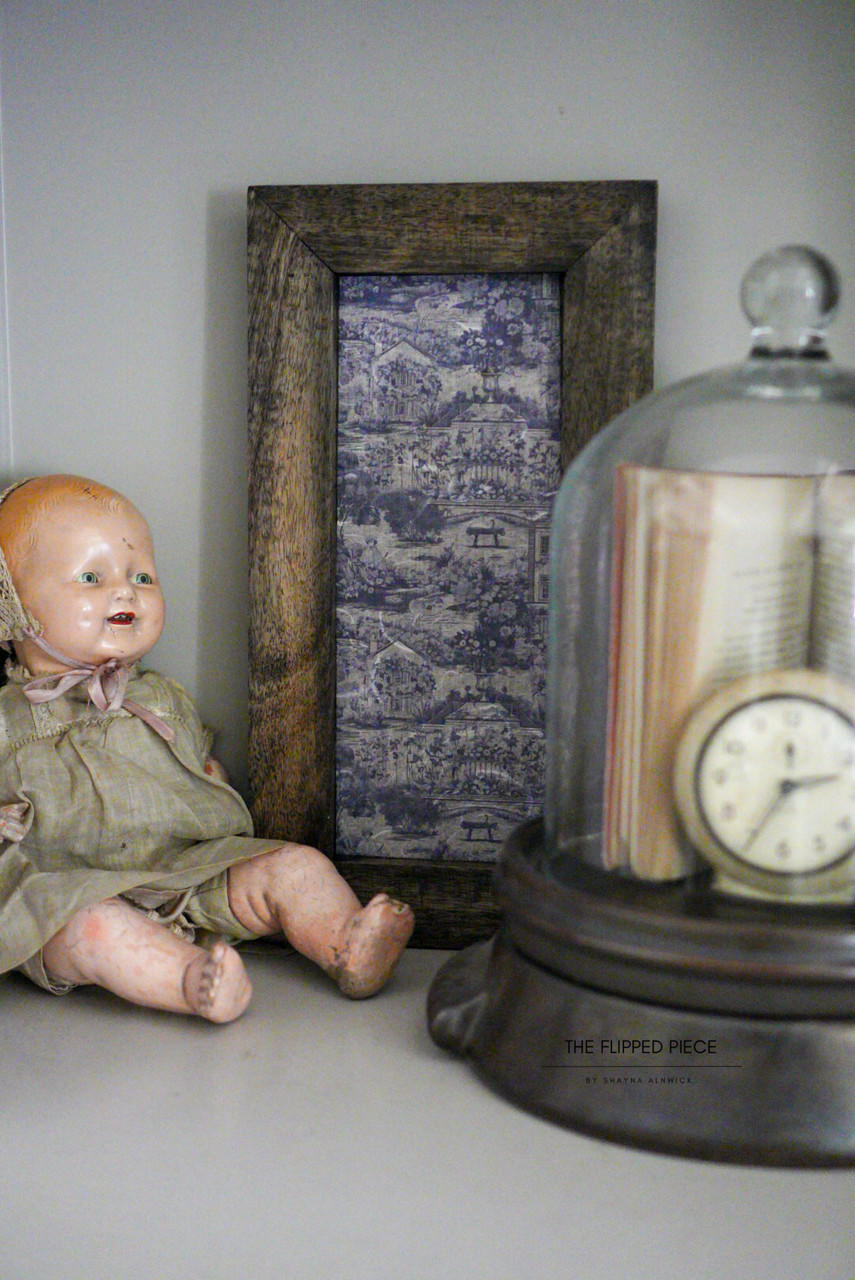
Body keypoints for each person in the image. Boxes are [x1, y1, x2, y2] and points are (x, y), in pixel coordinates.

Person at [0, 474, 413, 1022]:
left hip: (188, 871)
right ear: (11, 606)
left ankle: (346, 941)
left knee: (295, 864)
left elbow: (189, 759)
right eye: (92, 577)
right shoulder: (9, 718)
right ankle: (192, 981)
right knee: (93, 931)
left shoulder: (159, 694)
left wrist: (206, 774)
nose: (125, 591)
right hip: (72, 892)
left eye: (141, 575)